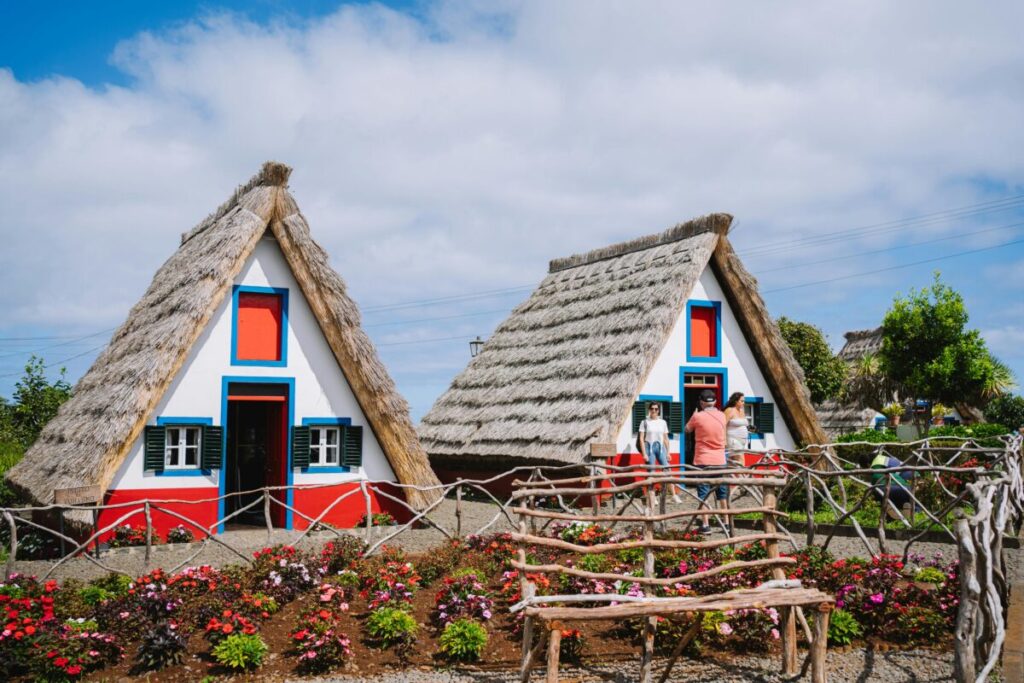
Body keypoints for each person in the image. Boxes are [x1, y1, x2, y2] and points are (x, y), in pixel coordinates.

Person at [685, 389, 728, 533]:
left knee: (703, 493)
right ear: (715, 402)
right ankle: (726, 523)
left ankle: (705, 524)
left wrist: (693, 414)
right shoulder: (722, 416)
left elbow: (687, 430)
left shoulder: (697, 416)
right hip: (720, 459)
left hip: (703, 459)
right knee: (722, 492)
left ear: (701, 403)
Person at [639, 402, 682, 502]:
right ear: (649, 410)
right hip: (649, 447)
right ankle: (652, 497)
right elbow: (641, 439)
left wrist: (668, 452)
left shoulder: (663, 422)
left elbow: (666, 438)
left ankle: (673, 495)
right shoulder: (644, 422)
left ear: (659, 410)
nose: (654, 411)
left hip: (660, 447)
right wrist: (644, 453)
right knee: (651, 472)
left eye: (656, 409)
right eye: (652, 409)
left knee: (667, 469)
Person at [870, 452, 916, 517]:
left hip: (888, 489)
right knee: (907, 500)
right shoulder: (892, 472)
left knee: (876, 494)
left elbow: (872, 489)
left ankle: (891, 508)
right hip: (906, 488)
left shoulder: (875, 473)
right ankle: (910, 509)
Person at [723, 392, 749, 468]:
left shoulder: (741, 411)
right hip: (733, 440)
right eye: (742, 401)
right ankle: (742, 478)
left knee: (732, 463)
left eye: (744, 401)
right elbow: (723, 425)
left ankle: (727, 478)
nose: (743, 403)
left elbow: (742, 424)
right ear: (735, 401)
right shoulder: (729, 410)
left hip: (742, 441)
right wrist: (724, 440)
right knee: (740, 460)